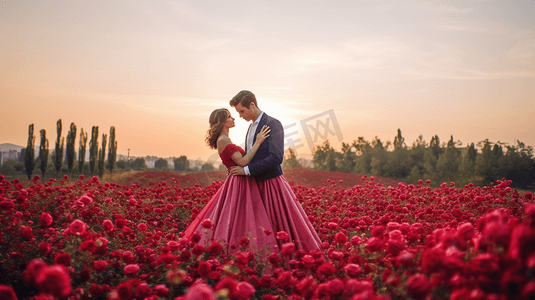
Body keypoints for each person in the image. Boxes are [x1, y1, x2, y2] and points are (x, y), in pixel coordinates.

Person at [228, 90, 322, 253]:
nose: (241, 116)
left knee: (277, 225)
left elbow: (276, 157)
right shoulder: (250, 128)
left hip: (271, 184)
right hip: (254, 185)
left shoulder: (273, 123)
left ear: (252, 105)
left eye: (242, 111)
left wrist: (246, 170)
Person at [183, 108, 279, 255]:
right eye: (229, 117)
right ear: (222, 122)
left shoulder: (225, 139)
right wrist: (258, 142)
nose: (233, 119)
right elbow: (243, 161)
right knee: (241, 215)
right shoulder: (223, 140)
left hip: (240, 179)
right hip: (239, 181)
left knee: (241, 215)